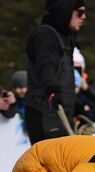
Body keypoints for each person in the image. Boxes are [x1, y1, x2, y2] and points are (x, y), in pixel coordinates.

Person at [25, 0, 85, 144]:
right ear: (65, 10)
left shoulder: (64, 38)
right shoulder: (45, 35)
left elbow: (64, 76)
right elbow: (47, 67)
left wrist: (74, 104)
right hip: (46, 113)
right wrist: (52, 91)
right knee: (51, 165)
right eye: (80, 12)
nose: (83, 17)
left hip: (60, 113)